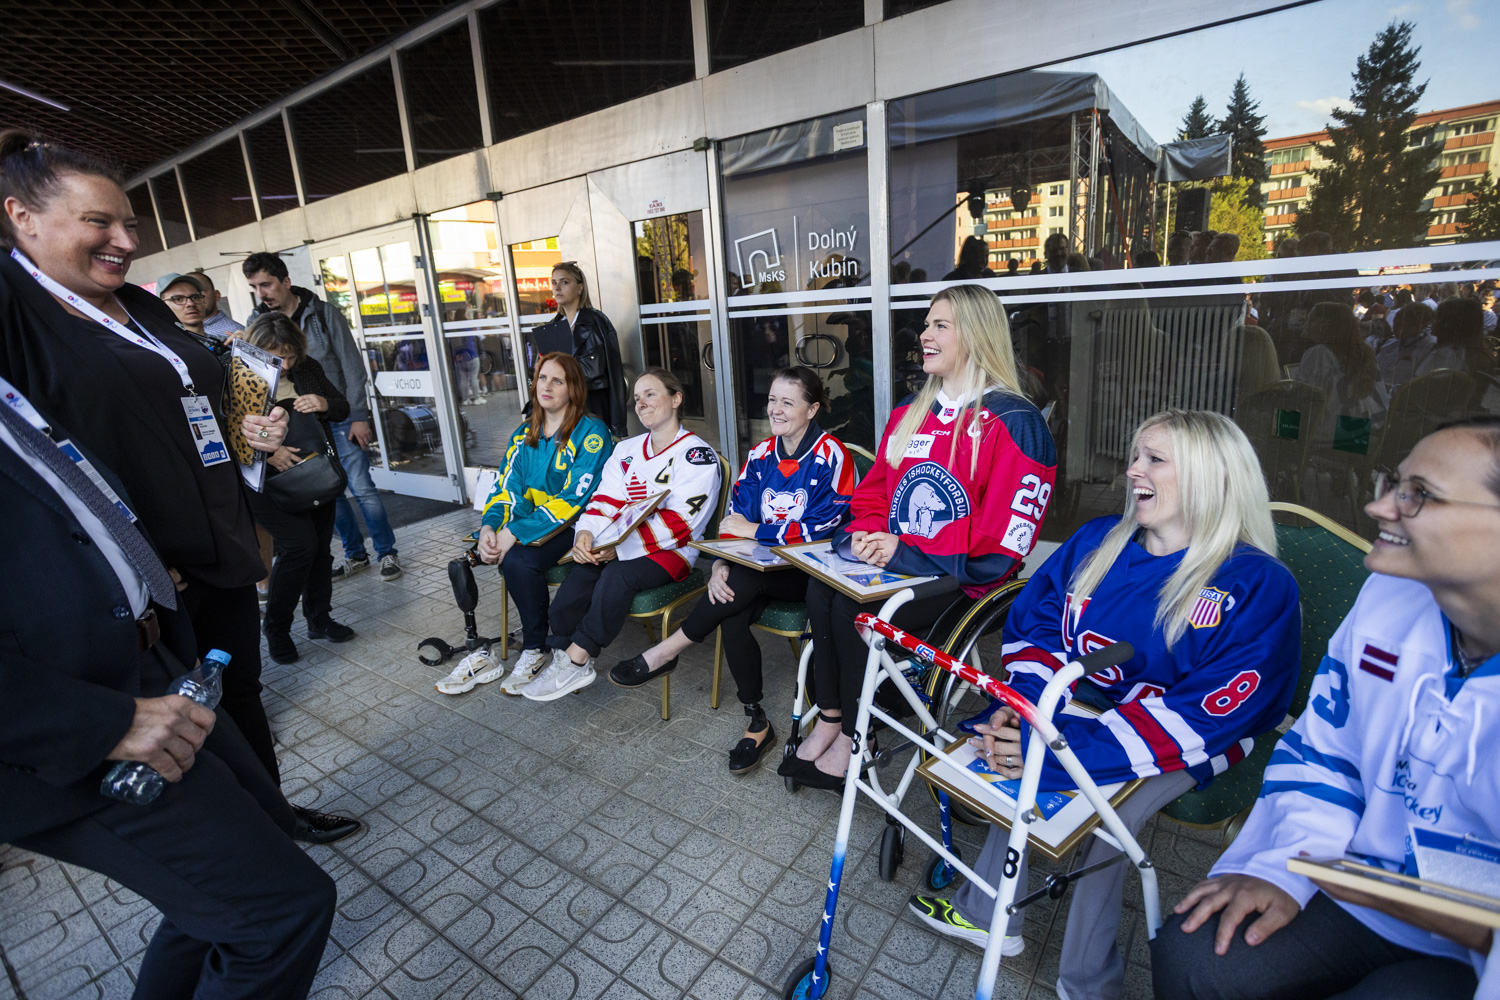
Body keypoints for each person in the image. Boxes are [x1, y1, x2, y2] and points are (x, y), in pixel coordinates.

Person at [0, 130, 359, 843]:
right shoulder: (20, 314)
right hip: (144, 573)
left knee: (241, 694)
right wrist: (129, 558)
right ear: (21, 217)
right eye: (98, 222)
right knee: (186, 721)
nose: (124, 241)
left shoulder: (144, 305)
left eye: (129, 223)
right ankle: (244, 848)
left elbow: (199, 398)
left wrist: (249, 426)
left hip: (218, 540)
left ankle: (274, 817)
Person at [907, 410, 1301, 1000]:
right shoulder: (1098, 540)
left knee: (1109, 820)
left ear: (1210, 476)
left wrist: (1061, 752)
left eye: (1155, 459)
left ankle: (1089, 982)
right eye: (1136, 455)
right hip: (1084, 707)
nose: (1133, 469)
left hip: (1194, 739)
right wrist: (1027, 709)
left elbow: (1205, 716)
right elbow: (1038, 626)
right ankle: (988, 912)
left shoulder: (1255, 583)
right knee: (1010, 761)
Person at [0, 379, 336, 1000]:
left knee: (222, 893)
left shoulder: (14, 399)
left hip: (150, 664)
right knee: (282, 912)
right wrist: (103, 722)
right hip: (72, 723)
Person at [1152, 418, 1500, 1000]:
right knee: (1197, 956)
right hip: (1362, 884)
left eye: (1419, 495)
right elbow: (1325, 751)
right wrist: (1286, 865)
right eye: (1394, 483)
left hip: (1475, 931)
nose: (1378, 507)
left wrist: (1475, 919)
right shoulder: (1388, 595)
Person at [783, 284, 1057, 788]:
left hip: (964, 579)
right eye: (927, 324)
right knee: (821, 589)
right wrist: (866, 534)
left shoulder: (1014, 421)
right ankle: (832, 719)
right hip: (897, 560)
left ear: (975, 335)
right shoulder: (911, 410)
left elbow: (1002, 539)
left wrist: (904, 550)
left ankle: (858, 736)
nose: (925, 335)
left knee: (851, 610)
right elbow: (873, 495)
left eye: (940, 326)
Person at [609, 367, 858, 773]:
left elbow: (824, 529)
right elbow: (732, 520)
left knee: (737, 590)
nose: (776, 410)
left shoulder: (832, 455)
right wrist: (723, 562)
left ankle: (668, 651)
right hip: (756, 569)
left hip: (810, 574)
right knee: (731, 607)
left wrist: (757, 531)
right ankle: (757, 721)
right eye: (772, 400)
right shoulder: (761, 455)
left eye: (788, 402)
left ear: (812, 409)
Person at [516, 368, 721, 702]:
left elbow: (680, 523)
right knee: (580, 577)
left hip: (672, 553)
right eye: (637, 398)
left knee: (617, 577)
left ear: (676, 399)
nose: (641, 403)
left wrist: (618, 548)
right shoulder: (627, 448)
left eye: (650, 394)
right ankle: (563, 656)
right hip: (617, 544)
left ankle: (579, 658)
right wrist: (586, 533)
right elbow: (604, 501)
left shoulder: (696, 455)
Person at [440, 352, 610, 696]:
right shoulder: (523, 434)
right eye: (542, 378)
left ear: (574, 388)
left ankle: (536, 649)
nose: (546, 386)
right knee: (510, 557)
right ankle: (534, 645)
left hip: (580, 527)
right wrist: (490, 528)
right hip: (534, 526)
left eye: (557, 380)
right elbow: (506, 489)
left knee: (518, 560)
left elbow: (574, 500)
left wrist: (514, 532)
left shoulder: (592, 432)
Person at [243, 251, 403, 583]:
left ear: (286, 281)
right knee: (326, 492)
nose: (261, 293)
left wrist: (358, 415)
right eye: (255, 287)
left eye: (266, 284)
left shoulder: (323, 314)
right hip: (298, 427)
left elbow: (352, 365)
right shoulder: (256, 322)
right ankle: (355, 554)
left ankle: (387, 553)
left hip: (338, 415)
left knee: (362, 487)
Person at [242, 312, 356, 665]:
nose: (286, 364)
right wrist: (270, 451)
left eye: (291, 355)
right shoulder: (238, 376)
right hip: (266, 481)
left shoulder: (307, 369)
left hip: (314, 472)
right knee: (298, 548)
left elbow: (341, 407)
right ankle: (276, 629)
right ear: (258, 350)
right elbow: (227, 429)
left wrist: (323, 403)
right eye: (278, 357)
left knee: (320, 550)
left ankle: (319, 619)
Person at [525, 261, 627, 436]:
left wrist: (617, 426)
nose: (557, 287)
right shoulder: (552, 327)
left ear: (580, 288)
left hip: (592, 407)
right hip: (561, 410)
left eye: (564, 282)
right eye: (554, 282)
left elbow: (614, 373)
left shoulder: (597, 322)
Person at [1298, 303, 1385, 446]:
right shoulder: (1365, 352)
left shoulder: (1319, 354)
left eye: (1310, 318)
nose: (1305, 323)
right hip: (1364, 434)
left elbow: (1303, 401)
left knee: (1273, 422)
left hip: (1332, 438)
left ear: (1324, 325)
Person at [1417, 296, 1490, 379]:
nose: (1431, 322)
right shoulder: (1473, 353)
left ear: (1447, 324)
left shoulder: (1445, 354)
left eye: (1436, 318)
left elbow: (1418, 382)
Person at [1376, 301, 1436, 390]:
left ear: (1421, 326)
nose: (1398, 329)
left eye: (1405, 325)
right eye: (1397, 323)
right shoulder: (1390, 345)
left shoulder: (1428, 348)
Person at [193, 268, 244, 341]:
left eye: (198, 293)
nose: (190, 301)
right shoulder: (181, 330)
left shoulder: (236, 334)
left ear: (216, 295)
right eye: (180, 298)